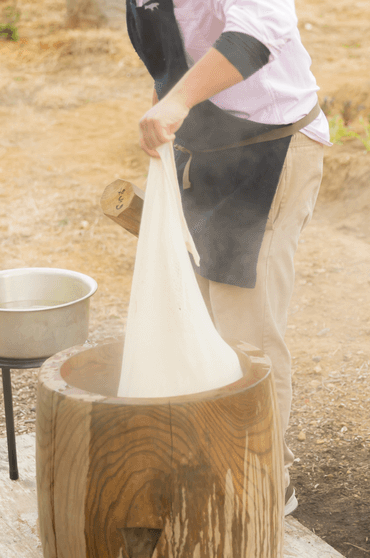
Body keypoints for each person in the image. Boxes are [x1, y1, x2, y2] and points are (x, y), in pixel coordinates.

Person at [126, 0, 330, 516]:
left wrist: (178, 101)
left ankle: (262, 484)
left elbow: (260, 30)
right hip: (206, 154)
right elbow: (169, 47)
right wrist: (168, 107)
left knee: (246, 333)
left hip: (268, 148)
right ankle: (216, 458)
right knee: (199, 319)